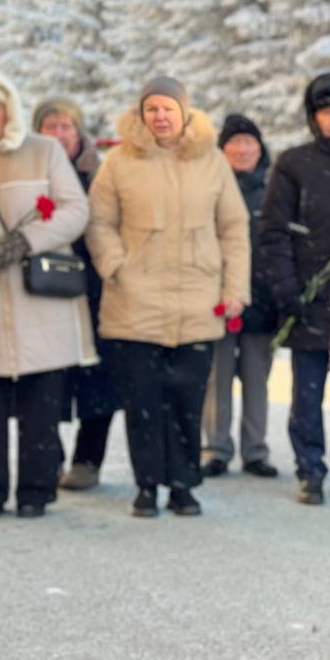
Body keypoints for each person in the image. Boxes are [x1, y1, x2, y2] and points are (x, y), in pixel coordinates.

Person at [86, 76, 250, 517]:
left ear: (184, 112)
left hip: (198, 299)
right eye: (152, 109)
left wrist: (234, 289)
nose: (160, 117)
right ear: (141, 115)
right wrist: (117, 266)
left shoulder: (211, 160)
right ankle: (146, 486)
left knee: (186, 399)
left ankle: (182, 484)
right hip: (134, 301)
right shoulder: (119, 161)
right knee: (142, 400)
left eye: (168, 109)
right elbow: (98, 223)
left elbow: (233, 229)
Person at [260, 73, 330, 506]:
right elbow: (274, 233)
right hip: (308, 299)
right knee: (306, 395)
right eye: (328, 112)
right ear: (315, 117)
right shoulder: (294, 163)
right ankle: (310, 470)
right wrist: (288, 288)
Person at [0, 72, 96, 518]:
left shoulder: (44, 151)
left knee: (41, 401)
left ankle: (36, 490)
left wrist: (27, 240)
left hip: (40, 296)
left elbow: (76, 211)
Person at [33, 97, 120, 491]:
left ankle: (88, 458)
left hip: (95, 290)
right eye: (50, 127)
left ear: (78, 131)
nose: (58, 134)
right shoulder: (29, 173)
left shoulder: (100, 173)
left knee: (97, 378)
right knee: (46, 380)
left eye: (66, 126)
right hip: (39, 289)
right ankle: (47, 457)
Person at [201, 114, 279, 479]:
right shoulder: (210, 185)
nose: (243, 149)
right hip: (217, 294)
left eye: (250, 141)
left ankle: (255, 450)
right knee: (216, 376)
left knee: (256, 377)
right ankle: (215, 448)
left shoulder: (274, 186)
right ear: (223, 148)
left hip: (262, 296)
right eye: (235, 142)